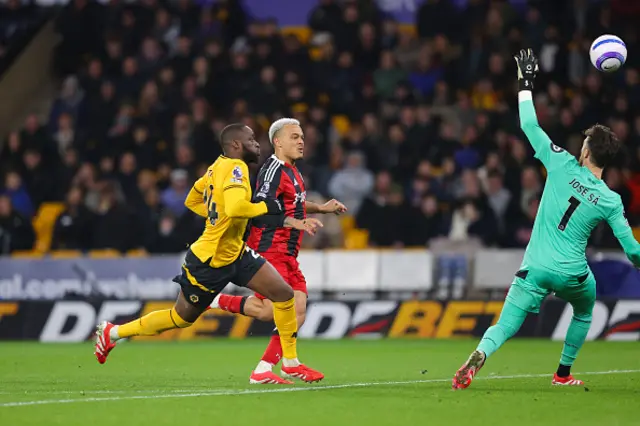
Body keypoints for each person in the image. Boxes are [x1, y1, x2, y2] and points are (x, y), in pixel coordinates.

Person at [452, 49, 640, 389]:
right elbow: (632, 251)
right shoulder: (611, 200)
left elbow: (528, 124)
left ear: (585, 151)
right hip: (572, 273)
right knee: (584, 309)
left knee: (506, 324)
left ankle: (480, 354)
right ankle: (562, 374)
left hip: (534, 267)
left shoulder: (560, 163)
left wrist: (526, 82)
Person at [94, 123, 324, 383]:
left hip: (236, 251)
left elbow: (192, 199)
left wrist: (216, 216)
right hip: (209, 260)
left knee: (283, 294)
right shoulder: (236, 168)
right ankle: (113, 332)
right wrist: (267, 206)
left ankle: (290, 363)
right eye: (251, 139)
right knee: (180, 318)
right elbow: (237, 207)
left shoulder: (216, 167)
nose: (257, 143)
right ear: (236, 145)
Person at [209, 118, 347, 384]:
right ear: (278, 142)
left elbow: (294, 205)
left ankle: (267, 368)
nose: (301, 141)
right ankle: (216, 301)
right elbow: (260, 210)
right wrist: (296, 222)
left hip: (288, 253)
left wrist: (322, 208)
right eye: (294, 136)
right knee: (273, 310)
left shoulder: (293, 172)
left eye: (302, 136)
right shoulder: (272, 170)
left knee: (297, 310)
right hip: (269, 247)